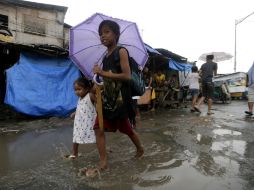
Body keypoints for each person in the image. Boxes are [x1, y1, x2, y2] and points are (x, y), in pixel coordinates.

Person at [92, 20, 144, 172]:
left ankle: (140, 149)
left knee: (127, 129)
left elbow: (127, 76)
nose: (103, 36)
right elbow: (108, 78)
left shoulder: (121, 51)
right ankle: (103, 161)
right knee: (98, 128)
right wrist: (98, 83)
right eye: (101, 33)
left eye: (107, 32)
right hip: (108, 98)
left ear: (116, 34)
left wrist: (102, 72)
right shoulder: (105, 57)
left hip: (121, 99)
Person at [66, 77, 97, 159]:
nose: (77, 92)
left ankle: (103, 149)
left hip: (89, 122)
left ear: (87, 88)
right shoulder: (80, 98)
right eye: (75, 90)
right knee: (75, 137)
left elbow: (99, 102)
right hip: (79, 122)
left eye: (79, 89)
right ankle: (75, 153)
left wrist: (98, 93)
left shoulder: (90, 95)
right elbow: (80, 108)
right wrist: (74, 113)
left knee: (95, 136)